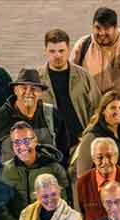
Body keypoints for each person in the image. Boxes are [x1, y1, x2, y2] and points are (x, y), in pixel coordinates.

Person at [70, 7, 120, 124]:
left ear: (116, 28)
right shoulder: (82, 46)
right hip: (91, 121)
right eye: (98, 28)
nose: (102, 33)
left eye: (107, 28)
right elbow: (71, 80)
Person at [38, 29, 101, 166]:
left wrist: (88, 136)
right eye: (52, 51)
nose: (57, 56)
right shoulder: (37, 80)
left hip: (79, 144)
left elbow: (98, 108)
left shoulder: (83, 76)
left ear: (68, 49)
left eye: (61, 51)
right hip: (50, 147)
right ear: (45, 51)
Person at [0, 122, 70, 220]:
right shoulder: (4, 172)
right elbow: (2, 211)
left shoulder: (54, 168)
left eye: (26, 140)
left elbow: (65, 207)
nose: (22, 146)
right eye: (17, 142)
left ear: (35, 141)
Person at [0, 69, 56, 161]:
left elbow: (63, 151)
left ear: (40, 93)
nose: (28, 92)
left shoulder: (52, 114)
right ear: (15, 90)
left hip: (46, 173)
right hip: (10, 174)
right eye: (24, 88)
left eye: (34, 88)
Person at [74, 137, 120, 220]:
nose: (105, 161)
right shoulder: (83, 182)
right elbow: (82, 214)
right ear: (93, 159)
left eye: (109, 156)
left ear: (116, 156)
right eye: (99, 157)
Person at [71, 92, 120, 180]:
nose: (117, 112)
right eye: (113, 108)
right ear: (103, 111)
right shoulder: (92, 136)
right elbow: (82, 174)